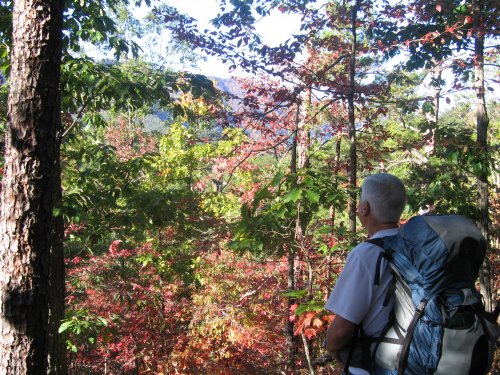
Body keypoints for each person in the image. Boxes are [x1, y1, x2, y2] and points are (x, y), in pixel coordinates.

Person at [325, 173, 407, 375]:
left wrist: (333, 348)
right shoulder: (415, 247)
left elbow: (341, 331)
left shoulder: (366, 254)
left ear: (365, 208)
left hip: (379, 364)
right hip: (417, 357)